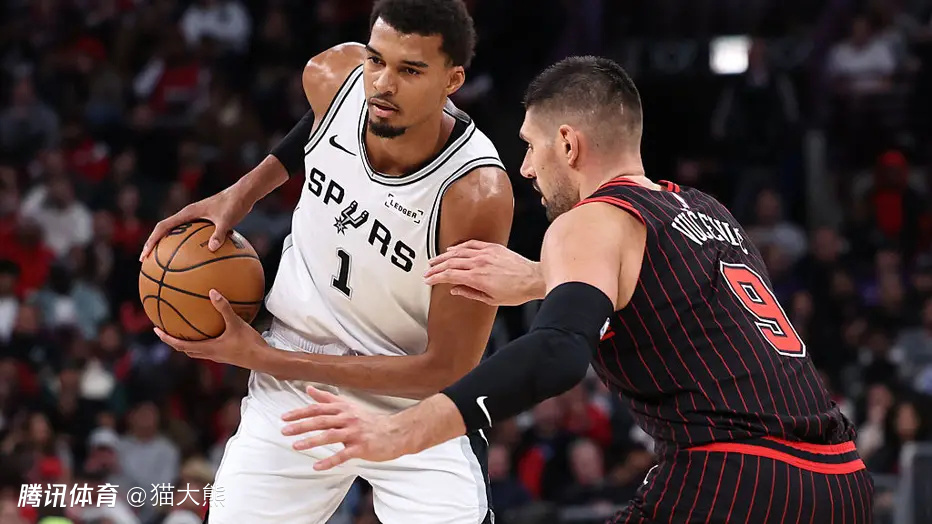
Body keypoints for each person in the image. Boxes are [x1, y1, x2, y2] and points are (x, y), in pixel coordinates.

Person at [279, 56, 875, 523]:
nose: (525, 168)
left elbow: (557, 352)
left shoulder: (589, 220)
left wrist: (401, 430)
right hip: (841, 481)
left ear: (568, 144)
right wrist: (540, 277)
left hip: (735, 478)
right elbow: (668, 296)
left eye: (530, 145)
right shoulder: (707, 212)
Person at [140, 0, 513, 522]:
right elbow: (320, 124)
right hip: (293, 384)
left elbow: (448, 369)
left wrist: (267, 359)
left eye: (410, 70)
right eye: (376, 60)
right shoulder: (333, 76)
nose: (382, 84)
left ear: (453, 80)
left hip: (410, 402)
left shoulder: (474, 194)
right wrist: (244, 191)